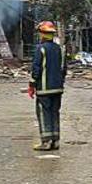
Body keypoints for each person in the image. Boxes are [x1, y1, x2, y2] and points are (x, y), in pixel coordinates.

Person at [28, 21, 66, 151]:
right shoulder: (59, 49)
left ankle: (46, 141)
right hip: (58, 88)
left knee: (44, 113)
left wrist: (32, 84)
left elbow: (36, 69)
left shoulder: (41, 49)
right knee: (55, 113)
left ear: (42, 34)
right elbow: (63, 69)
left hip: (44, 89)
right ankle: (55, 140)